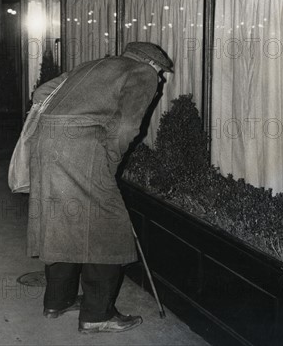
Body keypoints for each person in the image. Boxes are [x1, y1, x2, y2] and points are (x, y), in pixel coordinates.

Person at [27, 42, 173, 334]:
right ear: (152, 64)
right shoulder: (143, 73)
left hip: (46, 143)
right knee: (109, 228)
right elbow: (128, 127)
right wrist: (110, 159)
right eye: (161, 73)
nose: (160, 80)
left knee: (62, 221)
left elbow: (41, 93)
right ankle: (97, 314)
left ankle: (58, 301)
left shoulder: (92, 64)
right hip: (83, 150)